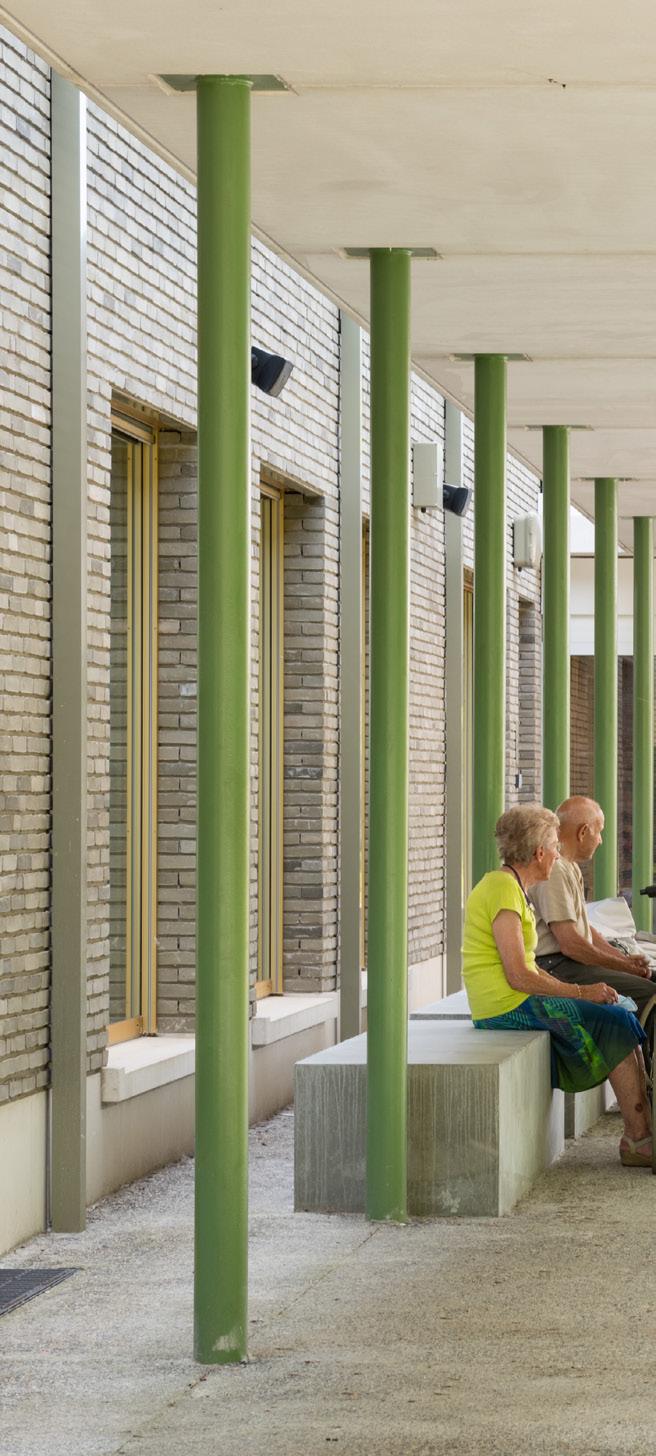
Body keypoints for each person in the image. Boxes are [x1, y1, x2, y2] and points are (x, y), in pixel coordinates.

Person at [463, 803, 651, 1168]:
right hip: (505, 1006)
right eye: (553, 846)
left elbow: (528, 967)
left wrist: (589, 991)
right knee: (614, 1019)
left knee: (619, 1013)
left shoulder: (511, 887)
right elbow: (518, 975)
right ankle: (638, 1139)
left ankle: (639, 1134)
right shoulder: (503, 891)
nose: (556, 854)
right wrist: (583, 992)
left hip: (514, 998)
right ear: (538, 853)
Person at [529, 795, 656, 1030]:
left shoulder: (569, 866)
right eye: (599, 832)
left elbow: (585, 930)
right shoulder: (555, 870)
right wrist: (623, 966)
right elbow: (571, 944)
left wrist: (625, 960)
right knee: (649, 993)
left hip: (569, 961)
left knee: (650, 979)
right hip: (555, 965)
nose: (600, 840)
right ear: (583, 832)